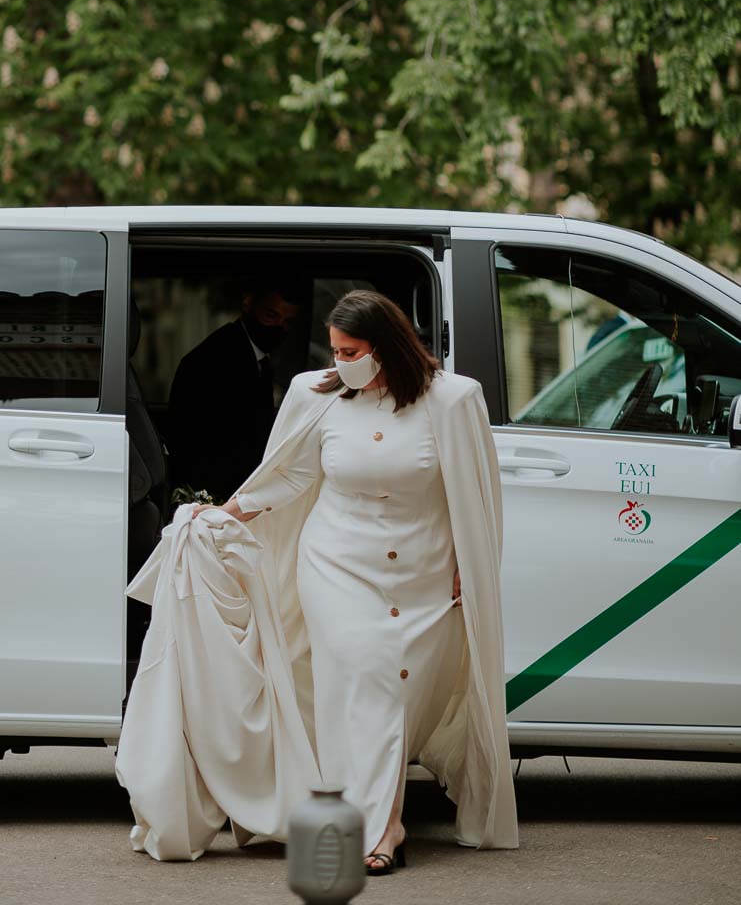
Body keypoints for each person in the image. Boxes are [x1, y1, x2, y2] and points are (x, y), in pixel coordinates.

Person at [117, 289, 518, 868]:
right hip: (335, 564)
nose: (339, 362)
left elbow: (477, 496)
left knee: (399, 695)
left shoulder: (454, 400)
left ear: (386, 347)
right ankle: (382, 832)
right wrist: (223, 515)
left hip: (424, 570)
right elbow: (285, 476)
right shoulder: (318, 394)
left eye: (350, 351)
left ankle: (367, 811)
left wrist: (468, 563)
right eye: (334, 350)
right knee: (367, 675)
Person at [164, 282, 303, 504]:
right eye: (271, 315)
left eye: (287, 322)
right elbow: (220, 439)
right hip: (215, 491)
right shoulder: (220, 358)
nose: (279, 327)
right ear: (248, 303)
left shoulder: (256, 357)